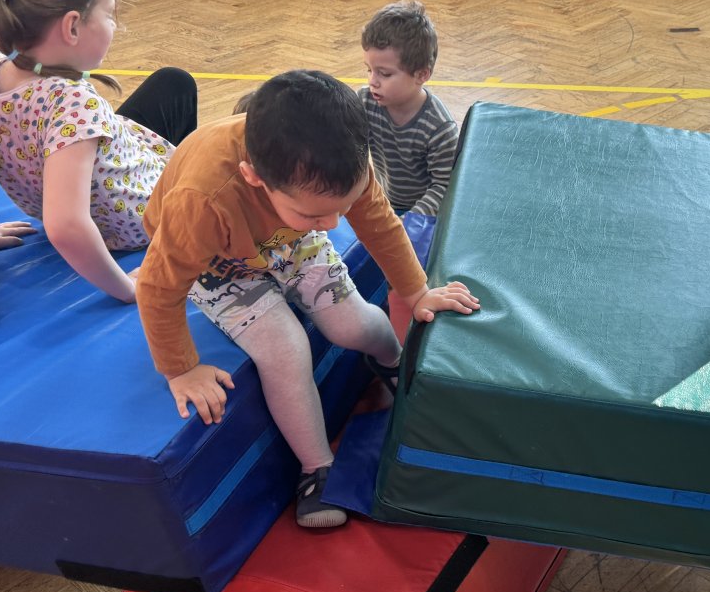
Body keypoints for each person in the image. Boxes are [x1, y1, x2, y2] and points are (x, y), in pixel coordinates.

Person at [137, 69, 478, 528]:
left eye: (342, 208)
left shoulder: (338, 167)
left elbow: (379, 223)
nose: (334, 224)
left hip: (289, 238)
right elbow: (158, 287)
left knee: (352, 324)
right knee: (285, 349)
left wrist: (416, 291)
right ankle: (316, 468)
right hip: (218, 260)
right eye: (319, 214)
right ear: (254, 178)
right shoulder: (201, 199)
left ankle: (394, 362)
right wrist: (181, 368)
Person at [0, 0, 198, 302]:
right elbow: (66, 227)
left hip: (105, 180)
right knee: (197, 122)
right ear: (72, 26)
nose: (114, 25)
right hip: (139, 217)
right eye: (109, 15)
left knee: (173, 83)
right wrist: (128, 290)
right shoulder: (74, 104)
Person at [360, 0, 458, 216]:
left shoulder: (439, 128)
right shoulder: (365, 102)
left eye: (384, 74)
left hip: (425, 214)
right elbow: (349, 147)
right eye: (369, 69)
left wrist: (411, 220)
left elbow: (443, 187)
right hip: (386, 201)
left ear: (421, 75)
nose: (372, 81)